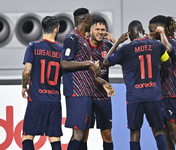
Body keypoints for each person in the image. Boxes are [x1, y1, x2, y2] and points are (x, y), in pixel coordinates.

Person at [104, 20, 171, 150]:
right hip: (154, 95)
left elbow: (106, 62)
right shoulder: (157, 45)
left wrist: (117, 42)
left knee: (135, 133)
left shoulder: (125, 49)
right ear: (142, 31)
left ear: (130, 34)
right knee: (158, 131)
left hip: (134, 97)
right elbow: (167, 63)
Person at [60, 8, 113, 150]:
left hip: (85, 92)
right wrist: (89, 63)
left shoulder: (81, 39)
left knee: (81, 133)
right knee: (79, 133)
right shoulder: (73, 38)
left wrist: (102, 81)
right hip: (77, 92)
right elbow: (64, 63)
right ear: (88, 20)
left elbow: (88, 70)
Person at [21, 16, 63, 150]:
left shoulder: (33, 46)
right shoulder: (62, 50)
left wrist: (23, 86)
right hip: (55, 99)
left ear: (43, 28)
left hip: (37, 98)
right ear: (56, 29)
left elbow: (27, 71)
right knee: (55, 137)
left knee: (27, 136)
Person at [149, 15, 176, 150]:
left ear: (162, 30)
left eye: (153, 30)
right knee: (165, 135)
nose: (150, 33)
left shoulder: (173, 42)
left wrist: (162, 34)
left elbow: (169, 50)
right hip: (158, 94)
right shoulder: (157, 45)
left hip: (171, 92)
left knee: (175, 133)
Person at [81, 16, 115, 150]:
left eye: (103, 30)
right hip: (86, 96)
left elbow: (126, 57)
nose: (100, 32)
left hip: (103, 96)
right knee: (83, 135)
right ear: (90, 30)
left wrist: (116, 42)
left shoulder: (108, 46)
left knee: (107, 135)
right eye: (97, 29)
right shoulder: (82, 45)